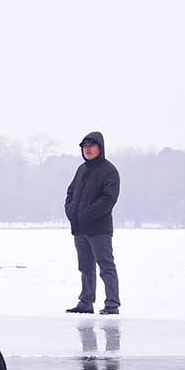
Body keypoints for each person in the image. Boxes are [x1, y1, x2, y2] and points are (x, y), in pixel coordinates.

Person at [64, 131, 121, 315]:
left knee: (105, 265)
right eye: (84, 147)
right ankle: (86, 302)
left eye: (91, 146)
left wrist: (88, 214)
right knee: (85, 267)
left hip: (99, 229)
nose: (87, 149)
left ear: (100, 148)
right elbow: (70, 193)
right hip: (79, 228)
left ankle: (112, 303)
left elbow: (108, 199)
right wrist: (72, 212)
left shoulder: (109, 171)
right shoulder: (81, 169)